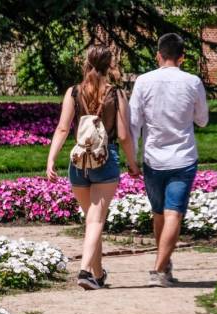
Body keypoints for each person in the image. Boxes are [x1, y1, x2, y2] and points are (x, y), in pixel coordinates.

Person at [46, 45, 140, 290]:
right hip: (105, 159)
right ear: (110, 66)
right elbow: (123, 135)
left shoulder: (74, 92)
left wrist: (51, 159)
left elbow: (63, 128)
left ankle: (98, 274)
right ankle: (85, 271)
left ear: (86, 62)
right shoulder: (116, 94)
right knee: (96, 221)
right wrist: (133, 164)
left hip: (78, 162)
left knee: (91, 219)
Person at [130, 33, 209, 287]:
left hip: (153, 157)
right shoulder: (192, 82)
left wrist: (131, 158)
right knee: (174, 212)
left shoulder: (143, 82)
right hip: (183, 157)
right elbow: (202, 119)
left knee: (159, 213)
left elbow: (134, 122)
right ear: (182, 57)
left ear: (158, 55)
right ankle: (160, 268)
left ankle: (161, 265)